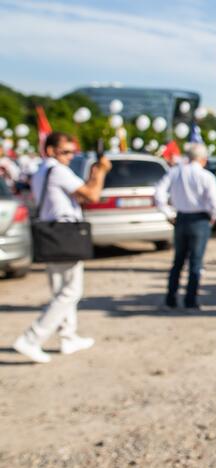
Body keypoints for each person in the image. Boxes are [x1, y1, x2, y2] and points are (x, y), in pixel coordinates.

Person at [12, 132, 111, 363]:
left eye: (72, 152)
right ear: (50, 150)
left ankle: (68, 336)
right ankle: (32, 338)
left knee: (61, 290)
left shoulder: (41, 171)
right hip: (64, 232)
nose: (69, 157)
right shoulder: (58, 170)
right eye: (65, 152)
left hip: (50, 231)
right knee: (71, 292)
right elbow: (92, 195)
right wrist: (102, 171)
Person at [155, 143, 216, 311]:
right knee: (195, 262)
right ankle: (190, 300)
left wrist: (168, 213)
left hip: (182, 218)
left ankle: (171, 298)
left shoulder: (176, 172)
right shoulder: (206, 176)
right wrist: (213, 217)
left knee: (178, 261)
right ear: (203, 159)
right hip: (199, 219)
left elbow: (159, 193)